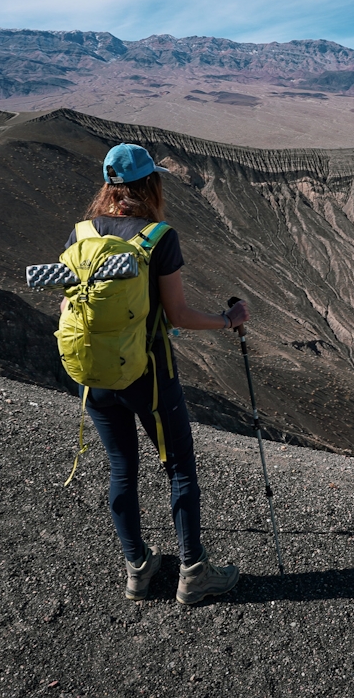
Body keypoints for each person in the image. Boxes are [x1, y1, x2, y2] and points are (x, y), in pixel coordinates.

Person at [61, 143, 249, 605]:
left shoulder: (81, 233)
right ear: (151, 185)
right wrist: (230, 320)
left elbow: (68, 303)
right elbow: (179, 314)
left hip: (96, 374)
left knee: (121, 468)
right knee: (180, 467)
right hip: (149, 374)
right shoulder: (157, 237)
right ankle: (193, 574)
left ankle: (138, 570)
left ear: (110, 186)